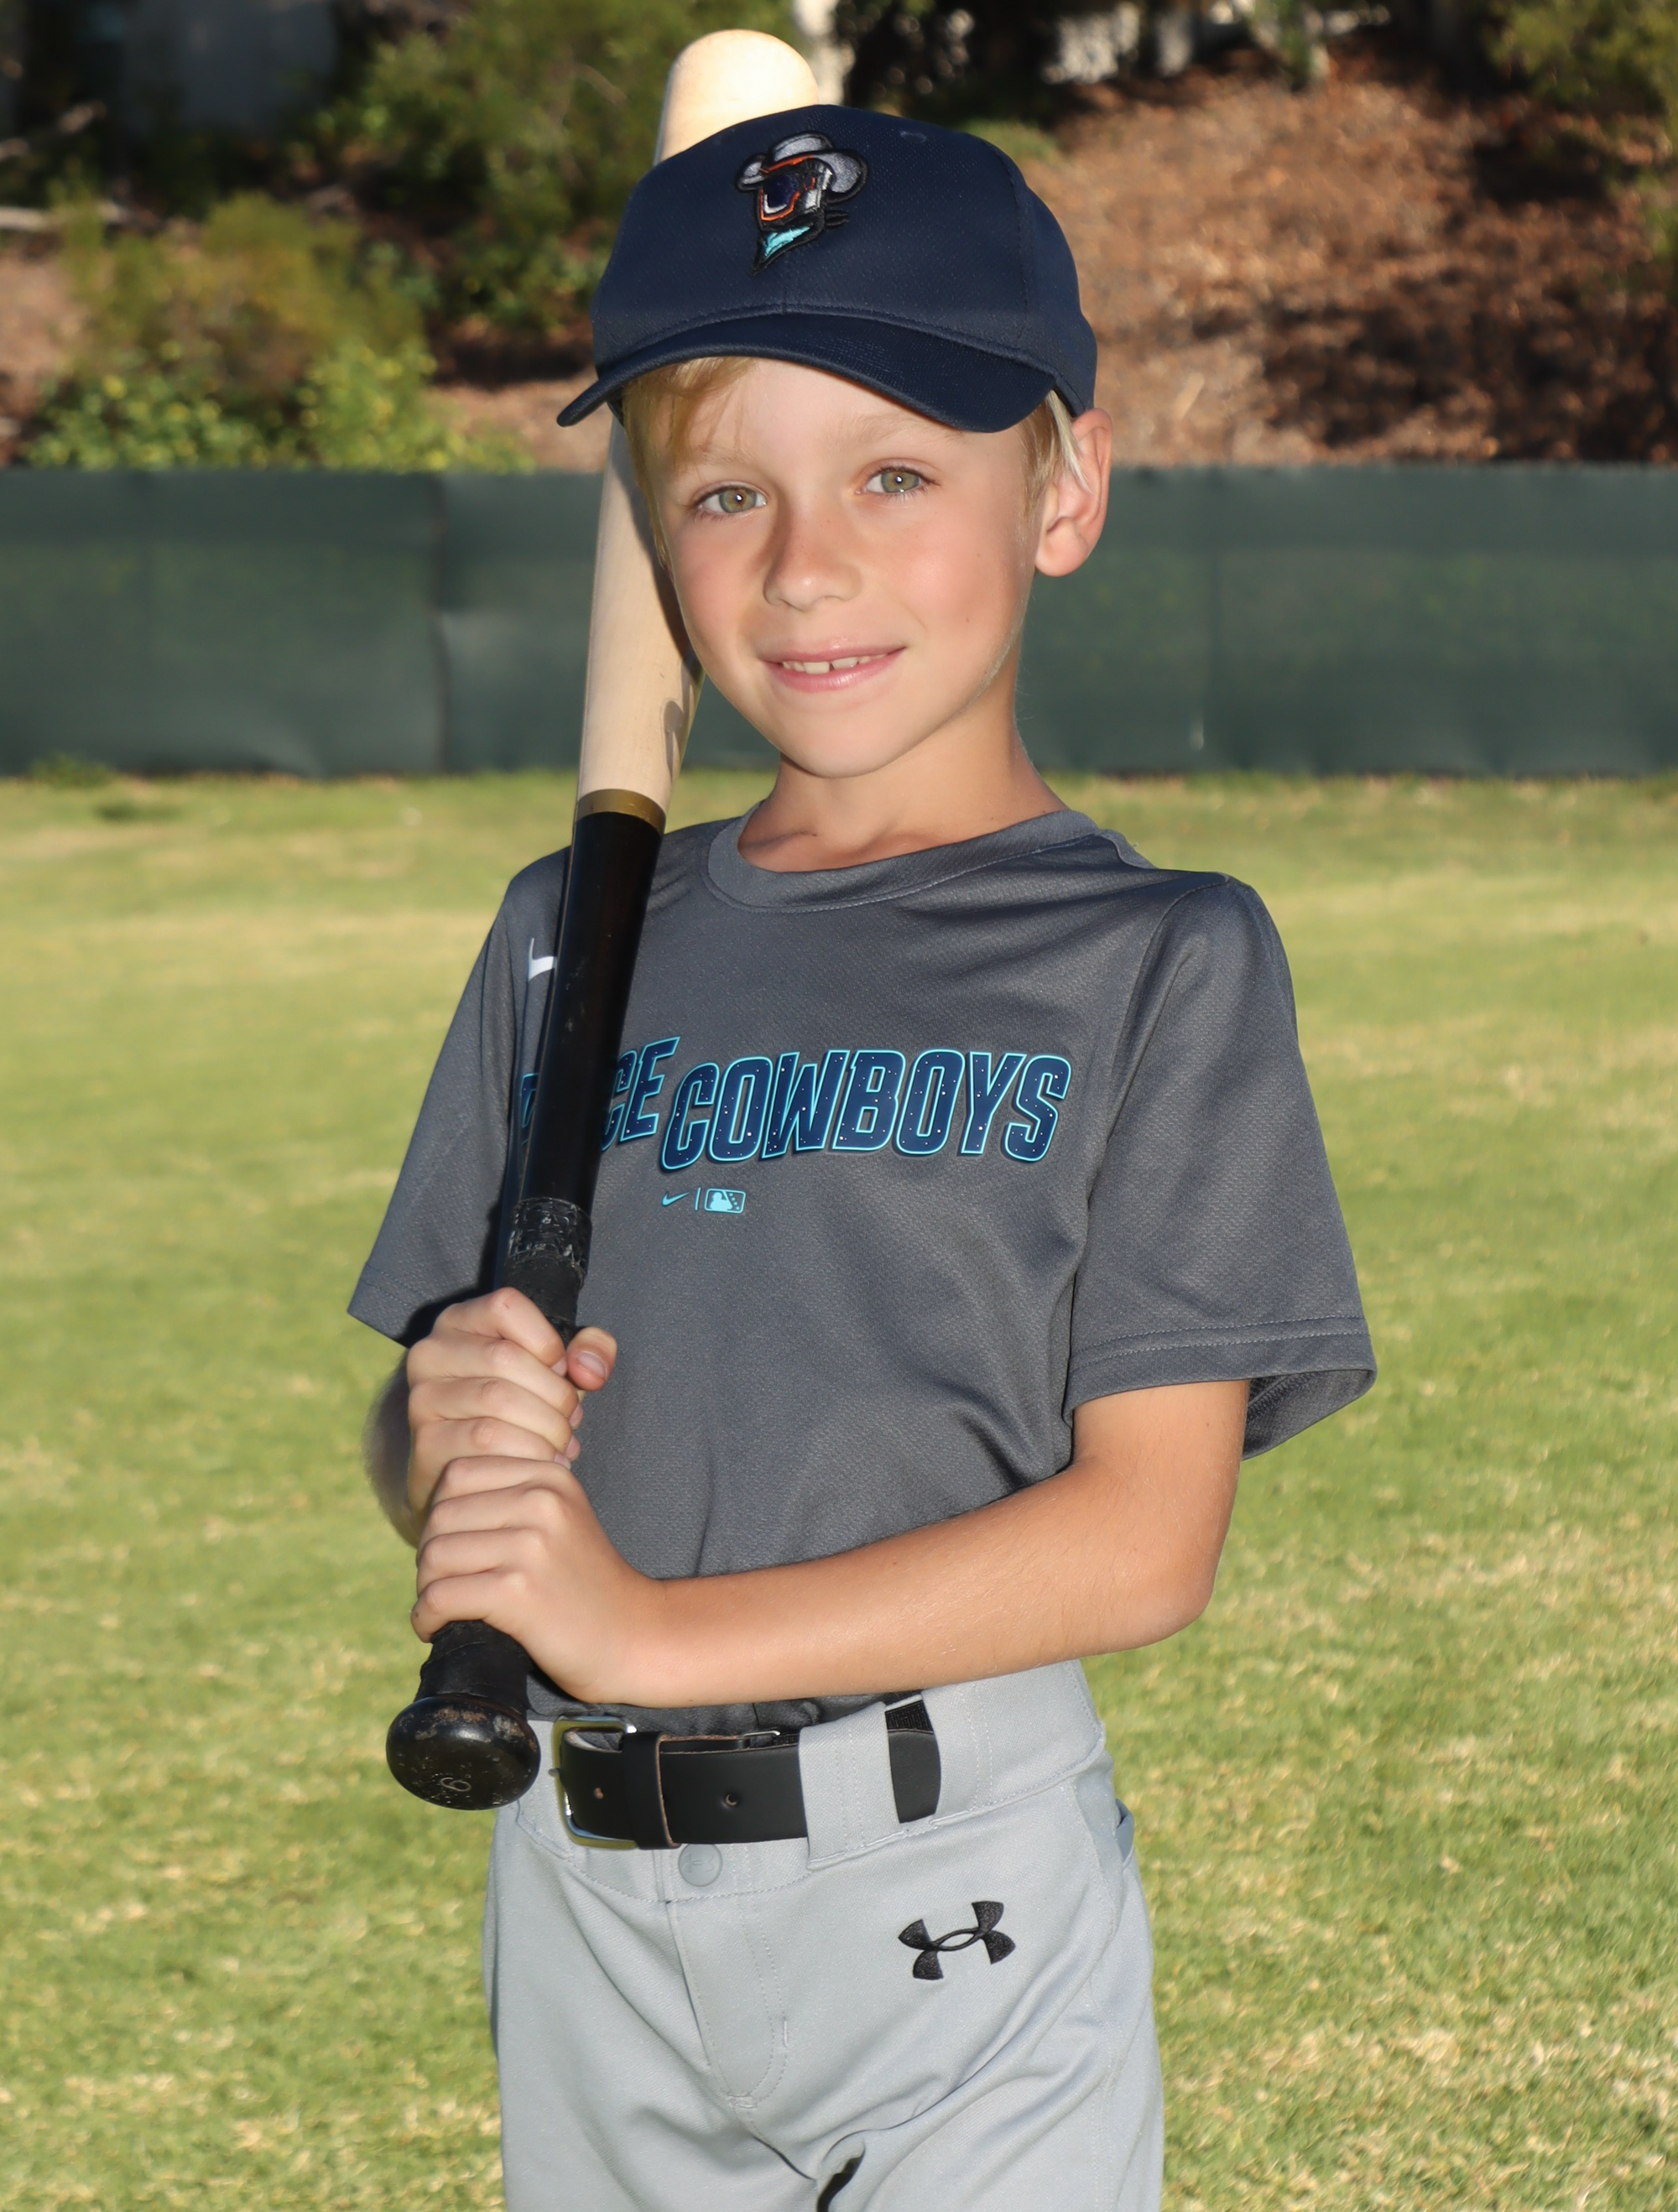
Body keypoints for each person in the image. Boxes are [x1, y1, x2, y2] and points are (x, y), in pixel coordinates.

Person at [351, 107, 1375, 2211]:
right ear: (652, 543)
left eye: (894, 475)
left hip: (952, 1886)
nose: (804, 564)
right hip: (583, 1892)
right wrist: (441, 1434)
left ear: (1063, 488)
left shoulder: (1156, 958)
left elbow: (1144, 1540)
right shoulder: (571, 932)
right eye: (726, 492)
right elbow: (443, 1448)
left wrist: (641, 1632)